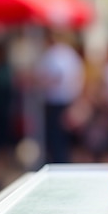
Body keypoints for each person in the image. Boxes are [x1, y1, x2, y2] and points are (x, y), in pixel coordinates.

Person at [35, 29, 85, 163]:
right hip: (68, 101)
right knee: (64, 141)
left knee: (56, 141)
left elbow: (55, 76)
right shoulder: (70, 54)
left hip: (56, 103)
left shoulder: (55, 54)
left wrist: (38, 82)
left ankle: (57, 164)